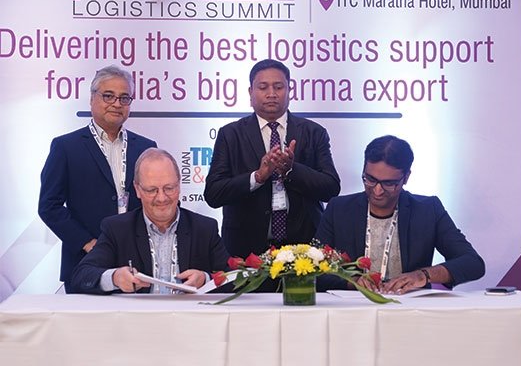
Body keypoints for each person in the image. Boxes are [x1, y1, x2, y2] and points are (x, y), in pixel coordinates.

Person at [204, 59, 341, 263]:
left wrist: (291, 170)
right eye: (263, 87)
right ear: (251, 92)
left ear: (289, 90)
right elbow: (213, 194)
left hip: (304, 251)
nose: (271, 93)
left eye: (278, 87)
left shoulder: (314, 132)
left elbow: (331, 188)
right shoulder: (231, 135)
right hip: (246, 251)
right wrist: (258, 176)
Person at [316, 135, 485, 294]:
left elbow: (472, 263)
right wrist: (350, 281)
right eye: (370, 179)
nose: (377, 190)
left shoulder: (427, 210)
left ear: (406, 177)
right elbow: (314, 270)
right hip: (353, 312)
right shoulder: (339, 209)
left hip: (411, 313)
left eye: (389, 184)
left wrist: (423, 275)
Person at [38, 65, 157, 292]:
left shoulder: (146, 147)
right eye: (108, 96)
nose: (116, 103)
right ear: (92, 99)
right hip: (86, 263)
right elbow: (49, 206)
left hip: (138, 265)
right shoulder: (66, 147)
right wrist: (88, 243)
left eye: (124, 98)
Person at [69, 148, 230, 294]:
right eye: (152, 190)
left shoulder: (204, 228)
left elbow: (234, 280)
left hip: (190, 321)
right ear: (137, 189)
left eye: (169, 188)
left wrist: (205, 279)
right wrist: (115, 278)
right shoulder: (117, 229)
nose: (161, 198)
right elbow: (81, 276)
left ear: (179, 185)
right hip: (137, 322)